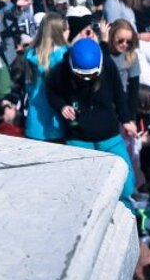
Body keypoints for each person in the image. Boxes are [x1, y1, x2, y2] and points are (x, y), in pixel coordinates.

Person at [45, 37, 137, 203]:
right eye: (81, 75)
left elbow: (119, 93)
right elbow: (52, 92)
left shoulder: (108, 65)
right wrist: (62, 106)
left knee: (126, 182)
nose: (87, 80)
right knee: (82, 184)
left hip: (108, 134)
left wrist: (126, 119)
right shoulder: (61, 71)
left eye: (92, 75)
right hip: (79, 136)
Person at [23, 13, 69, 142]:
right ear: (59, 32)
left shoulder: (30, 54)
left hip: (35, 121)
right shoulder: (63, 55)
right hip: (57, 120)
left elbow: (27, 85)